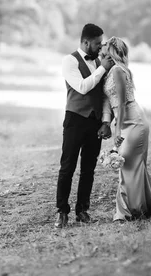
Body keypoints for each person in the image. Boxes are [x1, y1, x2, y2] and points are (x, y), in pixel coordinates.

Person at [55, 23, 115, 228]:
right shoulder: (69, 61)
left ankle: (83, 210)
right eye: (97, 44)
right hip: (75, 120)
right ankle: (62, 211)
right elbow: (82, 87)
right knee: (67, 167)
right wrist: (101, 69)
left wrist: (107, 122)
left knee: (88, 169)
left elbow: (106, 95)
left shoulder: (100, 62)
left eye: (102, 43)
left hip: (95, 122)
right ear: (86, 42)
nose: (101, 47)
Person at [101, 37, 151, 221]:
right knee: (130, 165)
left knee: (127, 162)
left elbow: (120, 104)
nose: (102, 48)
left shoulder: (118, 71)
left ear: (111, 50)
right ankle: (144, 207)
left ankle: (128, 212)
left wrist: (118, 131)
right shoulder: (109, 71)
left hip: (134, 122)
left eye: (105, 46)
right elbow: (111, 103)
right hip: (124, 121)